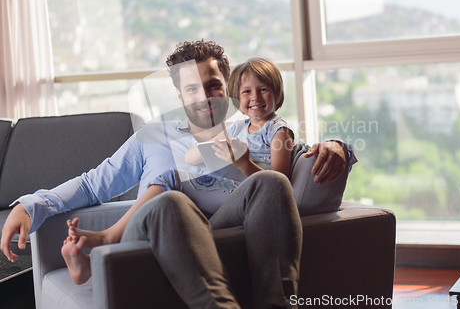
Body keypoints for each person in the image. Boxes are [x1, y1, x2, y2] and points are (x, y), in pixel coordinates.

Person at [1, 40, 354, 308]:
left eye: (213, 85)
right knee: (170, 198)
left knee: (271, 181)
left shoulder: (245, 133)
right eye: (191, 88)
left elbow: (292, 153)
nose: (204, 97)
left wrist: (338, 146)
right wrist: (32, 204)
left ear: (227, 86)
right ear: (179, 94)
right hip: (152, 229)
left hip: (217, 234)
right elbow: (94, 184)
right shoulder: (153, 136)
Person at [61, 57, 296, 285]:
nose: (255, 98)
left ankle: (109, 237)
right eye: (246, 92)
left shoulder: (278, 131)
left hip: (244, 198)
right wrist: (206, 152)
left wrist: (243, 162)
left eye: (263, 89)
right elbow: (194, 155)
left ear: (278, 93)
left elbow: (278, 185)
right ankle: (95, 262)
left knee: (172, 183)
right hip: (225, 196)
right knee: (171, 180)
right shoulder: (240, 127)